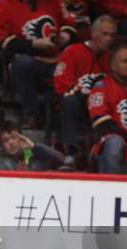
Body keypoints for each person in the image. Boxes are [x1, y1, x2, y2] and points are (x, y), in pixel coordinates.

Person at [0, 0, 76, 128]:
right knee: (23, 62)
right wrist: (33, 44)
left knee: (71, 65)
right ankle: (31, 115)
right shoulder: (5, 5)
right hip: (26, 61)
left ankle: (65, 125)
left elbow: (68, 23)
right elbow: (5, 42)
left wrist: (66, 34)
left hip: (54, 59)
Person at [54, 15, 116, 164]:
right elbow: (62, 84)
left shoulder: (113, 58)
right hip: (78, 102)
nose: (109, 39)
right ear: (94, 34)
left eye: (112, 35)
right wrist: (88, 94)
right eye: (104, 34)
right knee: (69, 101)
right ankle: (71, 151)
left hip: (103, 106)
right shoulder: (72, 52)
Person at [88, 43, 127, 174]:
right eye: (125, 61)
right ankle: (111, 189)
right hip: (113, 139)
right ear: (113, 66)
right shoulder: (102, 86)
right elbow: (101, 123)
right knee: (115, 143)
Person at [0, 121, 65, 170]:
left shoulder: (33, 151)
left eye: (14, 137)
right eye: (5, 140)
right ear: (1, 145)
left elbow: (60, 160)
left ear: (21, 137)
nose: (11, 142)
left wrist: (34, 147)